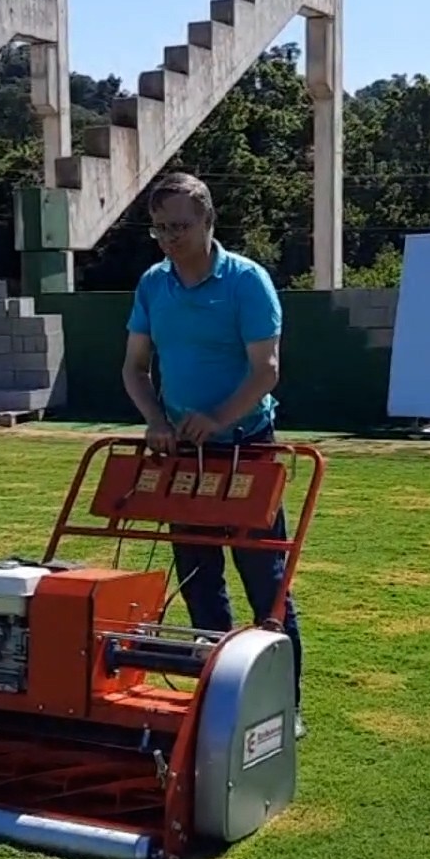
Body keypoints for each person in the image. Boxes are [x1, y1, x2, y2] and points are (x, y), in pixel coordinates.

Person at [120, 172, 307, 740]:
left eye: (180, 226)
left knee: (266, 581)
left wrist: (220, 417)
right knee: (199, 578)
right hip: (184, 459)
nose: (170, 238)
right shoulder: (153, 284)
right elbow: (134, 367)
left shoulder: (247, 281)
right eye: (160, 229)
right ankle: (218, 698)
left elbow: (266, 370)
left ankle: (285, 705)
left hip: (248, 449)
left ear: (207, 222)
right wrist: (155, 419)